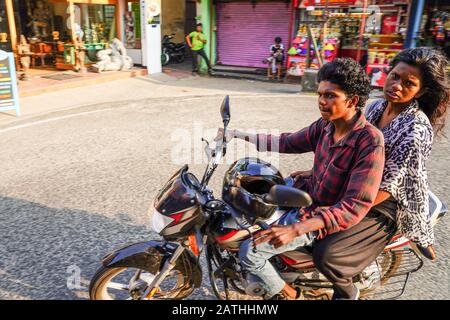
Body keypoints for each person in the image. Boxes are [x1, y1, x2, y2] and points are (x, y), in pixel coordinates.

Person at [216, 58, 387, 300]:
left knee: (250, 252)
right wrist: (238, 134)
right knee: (247, 203)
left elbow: (354, 207)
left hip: (319, 217)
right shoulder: (325, 126)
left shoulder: (369, 141)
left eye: (330, 96)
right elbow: (287, 142)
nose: (321, 101)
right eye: (320, 94)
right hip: (304, 194)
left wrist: (295, 229)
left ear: (352, 100)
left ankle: (290, 295)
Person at [361, 47, 450, 260]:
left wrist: (347, 207)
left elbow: (390, 185)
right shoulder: (376, 107)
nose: (396, 86)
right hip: (362, 182)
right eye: (395, 76)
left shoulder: (417, 129)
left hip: (390, 200)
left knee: (329, 252)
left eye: (408, 83)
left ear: (420, 92)